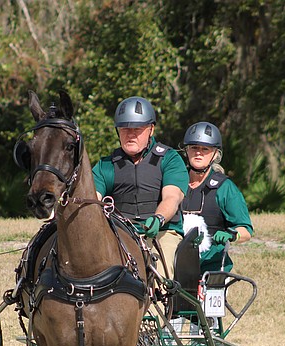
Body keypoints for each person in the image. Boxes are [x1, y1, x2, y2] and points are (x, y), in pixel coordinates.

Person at [92, 96, 189, 277]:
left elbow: (172, 197)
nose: (130, 134)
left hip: (161, 232)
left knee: (159, 274)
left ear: (151, 129)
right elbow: (92, 200)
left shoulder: (169, 159)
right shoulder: (106, 165)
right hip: (119, 235)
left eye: (137, 129)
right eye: (125, 129)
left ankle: (155, 303)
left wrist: (158, 218)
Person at [180, 121, 253, 274]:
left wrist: (231, 234)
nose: (198, 153)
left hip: (212, 268)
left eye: (205, 149)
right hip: (175, 266)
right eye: (194, 147)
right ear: (186, 150)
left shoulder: (225, 187)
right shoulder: (175, 181)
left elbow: (246, 230)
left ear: (215, 154)